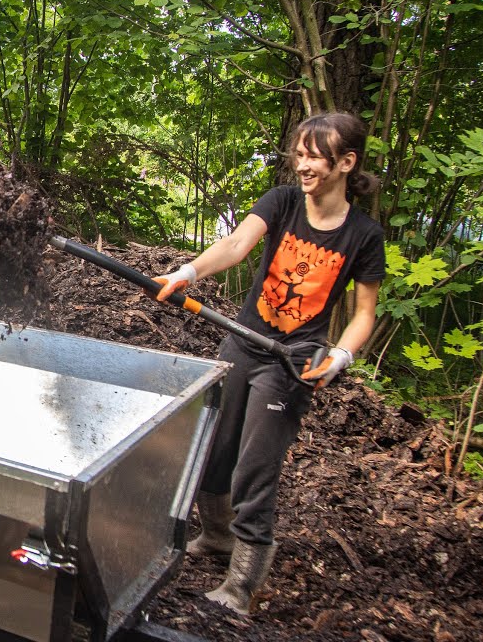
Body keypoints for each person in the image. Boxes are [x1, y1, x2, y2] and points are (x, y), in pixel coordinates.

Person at [153, 111, 385, 615]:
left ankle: (242, 587)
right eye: (298, 153)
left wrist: (340, 356)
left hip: (291, 363)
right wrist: (187, 272)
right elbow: (237, 244)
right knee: (212, 451)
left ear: (346, 162)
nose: (302, 164)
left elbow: (364, 313)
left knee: (255, 469)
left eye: (314, 156)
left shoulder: (363, 235)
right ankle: (216, 537)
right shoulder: (281, 203)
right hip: (243, 343)